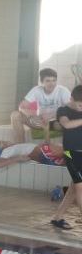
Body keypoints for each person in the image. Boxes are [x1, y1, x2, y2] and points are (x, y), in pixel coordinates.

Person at [50, 85, 82, 230]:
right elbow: (67, 125)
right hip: (71, 153)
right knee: (80, 187)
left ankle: (57, 217)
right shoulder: (63, 110)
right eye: (80, 104)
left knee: (74, 188)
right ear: (71, 99)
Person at [12, 68, 72, 142]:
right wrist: (32, 116)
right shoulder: (36, 90)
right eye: (48, 81)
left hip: (56, 122)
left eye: (54, 80)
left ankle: (71, 149)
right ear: (42, 82)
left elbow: (70, 108)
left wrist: (52, 115)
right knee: (15, 115)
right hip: (40, 122)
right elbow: (21, 107)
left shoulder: (63, 90)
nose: (52, 84)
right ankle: (20, 146)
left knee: (70, 120)